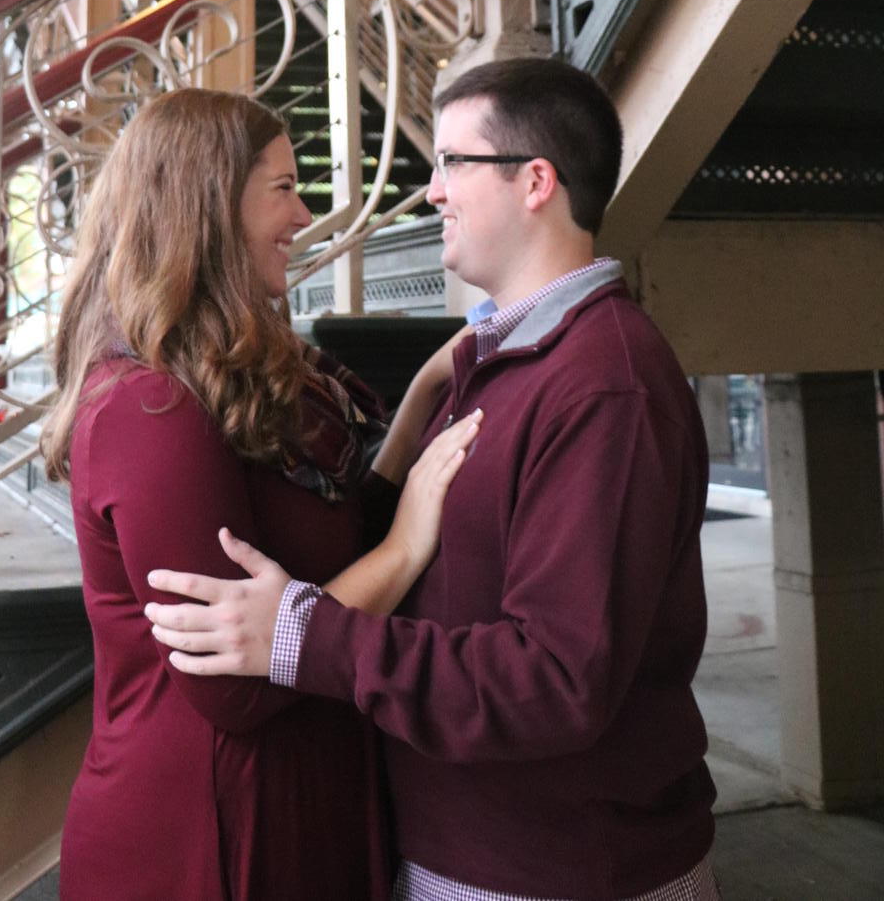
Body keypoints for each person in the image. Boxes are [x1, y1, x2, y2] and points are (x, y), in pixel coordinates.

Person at [144, 58, 721, 901]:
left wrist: (307, 636)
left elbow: (555, 681)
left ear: (535, 182)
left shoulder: (605, 383)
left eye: (453, 162)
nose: (432, 192)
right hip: (476, 852)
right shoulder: (504, 359)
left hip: (562, 870)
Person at [41, 87, 481, 901]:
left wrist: (420, 398)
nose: (305, 214)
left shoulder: (243, 370)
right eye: (282, 188)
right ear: (207, 207)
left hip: (298, 797)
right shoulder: (150, 408)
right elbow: (233, 685)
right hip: (210, 834)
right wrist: (406, 547)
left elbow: (329, 535)